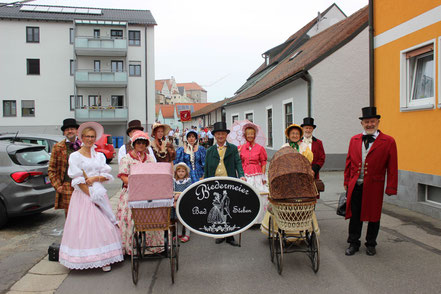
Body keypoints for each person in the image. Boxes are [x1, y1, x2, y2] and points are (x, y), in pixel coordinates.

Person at [59, 122, 123, 272]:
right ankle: (84, 259)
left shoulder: (99, 155)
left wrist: (95, 180)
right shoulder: (75, 156)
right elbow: (77, 179)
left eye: (92, 137)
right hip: (83, 195)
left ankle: (105, 258)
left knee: (104, 225)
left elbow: (106, 175)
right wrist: (90, 195)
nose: (90, 139)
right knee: (87, 227)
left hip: (99, 192)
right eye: (87, 136)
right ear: (81, 138)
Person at [344, 107, 398, 256]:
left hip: (375, 185)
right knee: (355, 216)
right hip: (356, 184)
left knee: (374, 216)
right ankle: (353, 243)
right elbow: (348, 162)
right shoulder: (354, 140)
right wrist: (347, 182)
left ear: (378, 122)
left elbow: (392, 166)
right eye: (366, 122)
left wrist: (391, 187)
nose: (369, 124)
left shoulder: (389, 141)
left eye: (372, 121)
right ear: (362, 124)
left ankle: (371, 244)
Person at [116, 130, 162, 255]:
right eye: (138, 143)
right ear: (134, 144)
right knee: (130, 217)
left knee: (151, 217)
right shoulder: (127, 158)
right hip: (132, 191)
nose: (141, 145)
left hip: (148, 192)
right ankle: (131, 246)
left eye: (143, 143)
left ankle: (152, 245)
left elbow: (154, 174)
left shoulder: (150, 158)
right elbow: (123, 176)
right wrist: (136, 185)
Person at [204, 121, 246, 246]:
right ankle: (220, 234)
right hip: (214, 181)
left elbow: (238, 162)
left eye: (222, 134)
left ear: (226, 135)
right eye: (218, 134)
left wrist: (242, 175)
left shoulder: (233, 148)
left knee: (229, 207)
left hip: (229, 181)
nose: (220, 136)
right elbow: (206, 167)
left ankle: (230, 235)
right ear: (215, 136)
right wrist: (206, 181)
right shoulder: (210, 150)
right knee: (217, 208)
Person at [48, 118, 80, 218]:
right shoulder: (58, 147)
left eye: (72, 129)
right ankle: (71, 234)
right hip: (67, 186)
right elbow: (51, 169)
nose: (70, 131)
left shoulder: (84, 145)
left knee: (84, 215)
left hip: (84, 185)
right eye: (67, 129)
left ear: (76, 130)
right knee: (70, 216)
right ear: (64, 132)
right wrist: (58, 186)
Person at [238, 122, 268, 223]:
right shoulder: (241, 148)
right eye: (248, 134)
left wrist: (263, 176)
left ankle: (259, 219)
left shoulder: (260, 148)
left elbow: (263, 162)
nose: (250, 136)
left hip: (257, 173)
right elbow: (239, 162)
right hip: (245, 174)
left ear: (254, 135)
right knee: (245, 195)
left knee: (260, 194)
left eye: (252, 134)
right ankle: (248, 218)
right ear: (245, 135)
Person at [173, 162, 193, 243]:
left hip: (185, 201)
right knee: (178, 218)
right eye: (179, 171)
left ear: (186, 172)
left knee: (185, 218)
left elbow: (188, 190)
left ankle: (187, 234)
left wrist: (179, 195)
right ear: (176, 172)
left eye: (183, 171)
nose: (181, 173)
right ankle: (179, 233)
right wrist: (174, 197)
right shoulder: (174, 181)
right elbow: (172, 191)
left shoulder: (187, 181)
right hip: (177, 201)